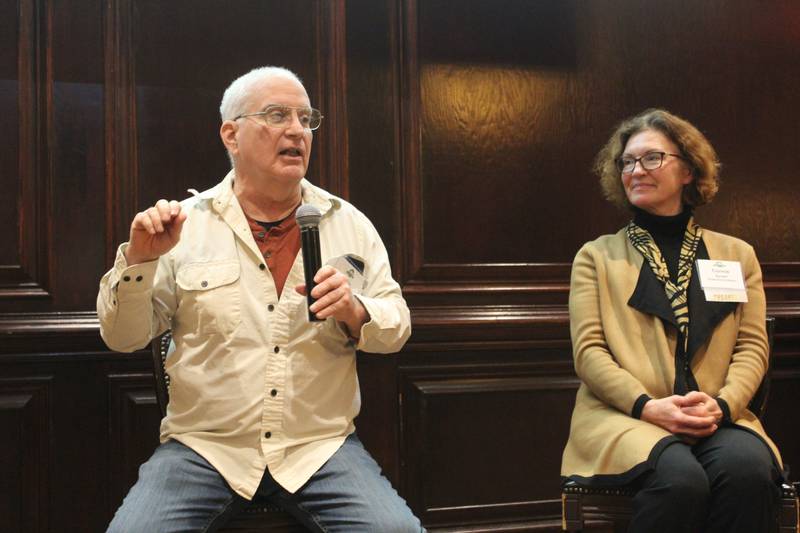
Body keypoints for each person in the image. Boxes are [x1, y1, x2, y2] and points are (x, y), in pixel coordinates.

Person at [97, 66, 423, 532]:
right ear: (231, 134)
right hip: (206, 450)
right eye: (277, 115)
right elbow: (122, 338)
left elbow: (397, 327)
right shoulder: (184, 226)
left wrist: (356, 311)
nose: (296, 130)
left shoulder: (348, 223)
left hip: (318, 449)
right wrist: (140, 261)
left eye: (305, 119)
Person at [561, 108, 785, 532]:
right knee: (680, 481)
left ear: (688, 170)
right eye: (627, 162)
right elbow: (589, 353)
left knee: (748, 472)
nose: (636, 170)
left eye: (652, 158)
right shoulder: (596, 257)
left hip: (715, 415)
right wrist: (647, 407)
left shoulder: (737, 255)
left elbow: (752, 347)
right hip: (625, 415)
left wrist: (722, 405)